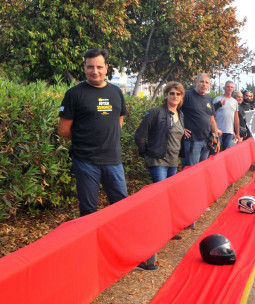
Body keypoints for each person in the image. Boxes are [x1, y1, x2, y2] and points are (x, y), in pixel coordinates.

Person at [58, 48, 128, 217]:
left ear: (106, 67)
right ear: (84, 68)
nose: (94, 71)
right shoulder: (74, 94)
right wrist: (87, 140)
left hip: (113, 159)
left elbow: (119, 118)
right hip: (85, 161)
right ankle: (91, 243)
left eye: (99, 67)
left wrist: (109, 138)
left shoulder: (116, 92)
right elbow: (63, 129)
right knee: (89, 210)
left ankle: (121, 241)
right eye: (90, 67)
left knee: (122, 205)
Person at [134, 81, 185, 271]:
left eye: (178, 94)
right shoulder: (156, 112)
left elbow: (178, 135)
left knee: (169, 198)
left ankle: (165, 232)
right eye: (171, 93)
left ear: (181, 97)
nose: (174, 97)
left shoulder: (181, 114)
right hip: (158, 161)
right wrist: (146, 153)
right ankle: (154, 241)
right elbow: (139, 135)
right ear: (166, 95)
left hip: (173, 163)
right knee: (160, 199)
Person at [181, 73, 220, 167]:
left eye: (207, 82)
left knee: (202, 171)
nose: (204, 84)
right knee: (190, 172)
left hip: (207, 142)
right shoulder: (187, 95)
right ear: (196, 82)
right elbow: (174, 111)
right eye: (202, 81)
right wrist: (180, 128)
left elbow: (212, 121)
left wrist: (216, 140)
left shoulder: (208, 98)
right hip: (192, 142)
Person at [213, 81, 240, 150]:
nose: (229, 88)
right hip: (218, 131)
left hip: (229, 132)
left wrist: (237, 133)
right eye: (228, 87)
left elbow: (236, 118)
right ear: (224, 88)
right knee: (216, 151)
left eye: (231, 87)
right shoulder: (217, 99)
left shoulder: (235, 102)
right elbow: (211, 114)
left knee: (227, 152)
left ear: (233, 89)